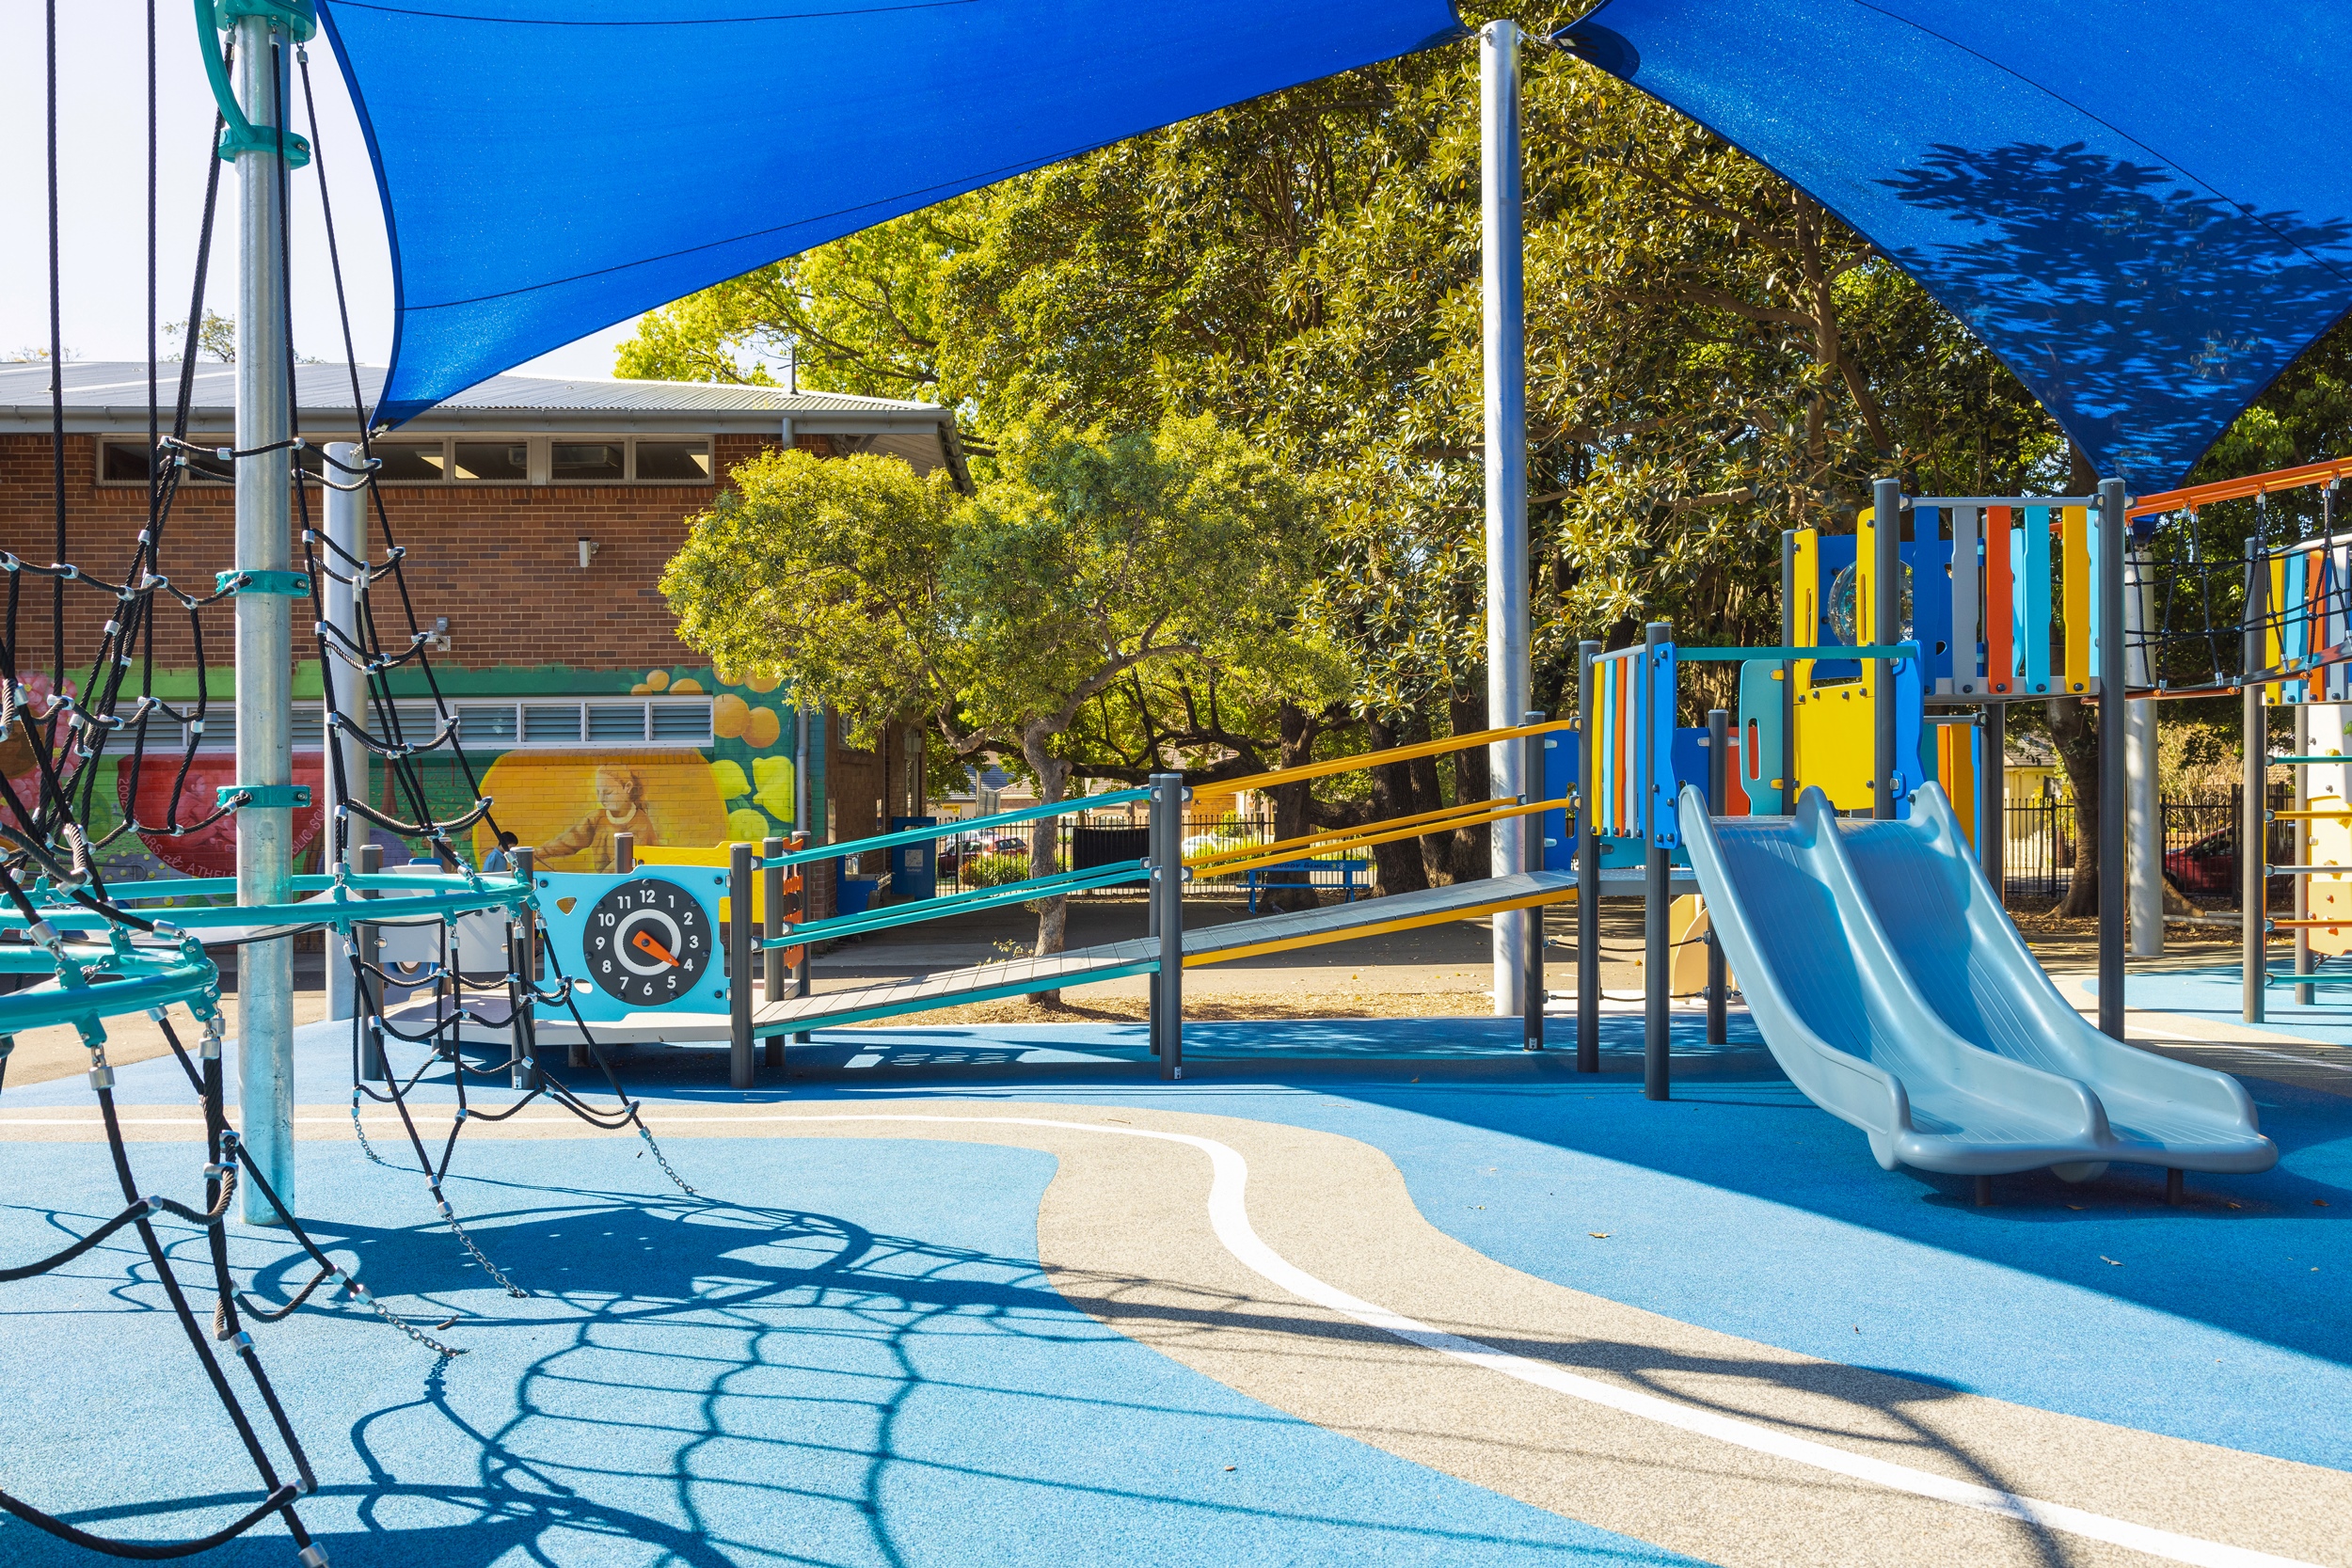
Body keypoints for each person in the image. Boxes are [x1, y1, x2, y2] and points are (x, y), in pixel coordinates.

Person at [542, 766, 660, 872]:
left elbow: (621, 864)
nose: (601, 799)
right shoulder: (596, 818)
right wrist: (538, 853)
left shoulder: (641, 824)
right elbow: (569, 841)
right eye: (598, 792)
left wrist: (597, 883)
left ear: (627, 787)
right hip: (604, 882)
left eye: (608, 792)